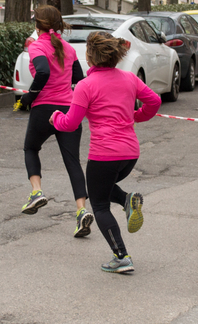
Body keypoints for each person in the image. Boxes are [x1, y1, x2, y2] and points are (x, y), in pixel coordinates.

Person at [51, 32, 161, 273]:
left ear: (90, 57)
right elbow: (154, 101)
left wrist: (56, 118)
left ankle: (121, 256)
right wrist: (136, 116)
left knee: (99, 204)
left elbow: (70, 123)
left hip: (104, 154)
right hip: (130, 154)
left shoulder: (85, 86)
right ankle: (126, 200)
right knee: (102, 187)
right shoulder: (130, 79)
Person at [18, 5, 93, 238]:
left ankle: (37, 192)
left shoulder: (37, 46)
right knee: (72, 161)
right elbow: (79, 79)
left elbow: (42, 72)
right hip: (68, 109)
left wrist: (29, 96)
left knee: (31, 148)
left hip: (44, 109)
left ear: (38, 25)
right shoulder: (68, 49)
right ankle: (82, 211)